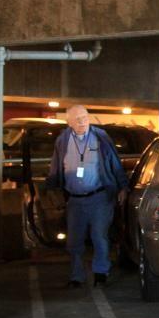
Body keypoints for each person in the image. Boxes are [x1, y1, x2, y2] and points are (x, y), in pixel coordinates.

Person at [46, 105, 129, 288]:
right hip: (74, 199)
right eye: (77, 119)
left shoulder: (101, 137)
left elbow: (114, 163)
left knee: (99, 236)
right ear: (69, 123)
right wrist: (52, 188)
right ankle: (77, 276)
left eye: (84, 117)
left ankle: (101, 272)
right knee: (74, 240)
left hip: (99, 197)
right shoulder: (63, 139)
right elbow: (56, 165)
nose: (82, 121)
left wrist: (123, 186)